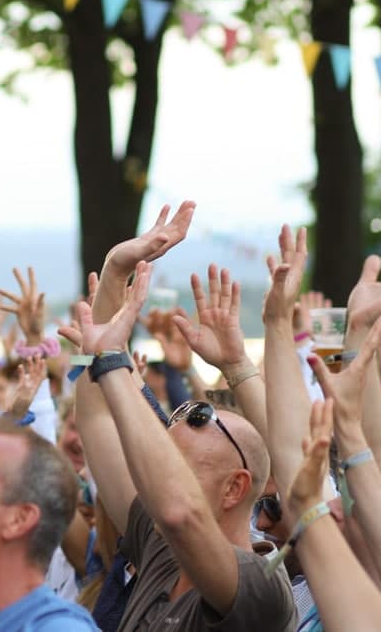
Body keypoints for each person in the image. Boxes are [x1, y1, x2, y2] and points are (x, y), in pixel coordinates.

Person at [74, 238, 295, 632]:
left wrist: (111, 359)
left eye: (175, 466)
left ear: (233, 489)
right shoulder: (160, 544)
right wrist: (113, 272)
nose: (154, 475)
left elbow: (181, 514)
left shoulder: (262, 585)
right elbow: (96, 422)